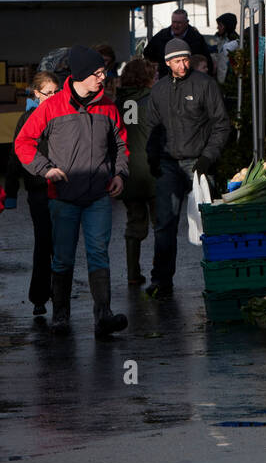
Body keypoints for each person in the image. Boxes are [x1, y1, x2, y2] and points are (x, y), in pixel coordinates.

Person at [15, 46, 129, 337]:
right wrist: (45, 169)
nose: (103, 78)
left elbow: (121, 144)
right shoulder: (51, 107)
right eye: (98, 73)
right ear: (80, 75)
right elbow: (23, 143)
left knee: (99, 254)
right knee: (63, 257)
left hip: (99, 195)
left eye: (104, 73)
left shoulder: (108, 106)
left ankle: (103, 316)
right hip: (63, 197)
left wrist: (119, 173)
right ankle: (60, 316)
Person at [144, 38, 232, 298]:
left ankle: (219, 275)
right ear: (167, 63)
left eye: (186, 60)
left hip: (199, 162)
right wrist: (152, 157)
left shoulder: (205, 84)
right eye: (177, 61)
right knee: (164, 225)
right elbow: (152, 128)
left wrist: (208, 157)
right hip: (168, 164)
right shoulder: (159, 90)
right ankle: (161, 279)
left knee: (210, 224)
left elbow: (221, 124)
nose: (183, 65)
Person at [4, 72, 59, 315]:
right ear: (36, 93)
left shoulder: (64, 116)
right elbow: (15, 158)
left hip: (63, 189)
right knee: (45, 242)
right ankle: (39, 297)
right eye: (49, 93)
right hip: (39, 191)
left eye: (57, 92)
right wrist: (12, 192)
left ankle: (56, 296)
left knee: (60, 244)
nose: (54, 97)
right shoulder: (28, 119)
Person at [117, 58, 158, 288]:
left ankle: (133, 273)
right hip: (152, 171)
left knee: (134, 224)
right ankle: (159, 270)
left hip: (127, 173)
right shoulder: (152, 100)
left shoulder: (117, 101)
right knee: (160, 223)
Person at [144, 9, 213, 79]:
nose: (176, 26)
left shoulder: (196, 38)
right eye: (174, 22)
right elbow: (147, 54)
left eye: (179, 23)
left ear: (187, 22)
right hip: (165, 78)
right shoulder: (161, 36)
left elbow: (207, 61)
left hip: (189, 80)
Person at [214, 13, 240, 84]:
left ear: (227, 26)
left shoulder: (234, 42)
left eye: (220, 25)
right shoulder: (222, 39)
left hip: (229, 81)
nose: (218, 27)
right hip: (221, 79)